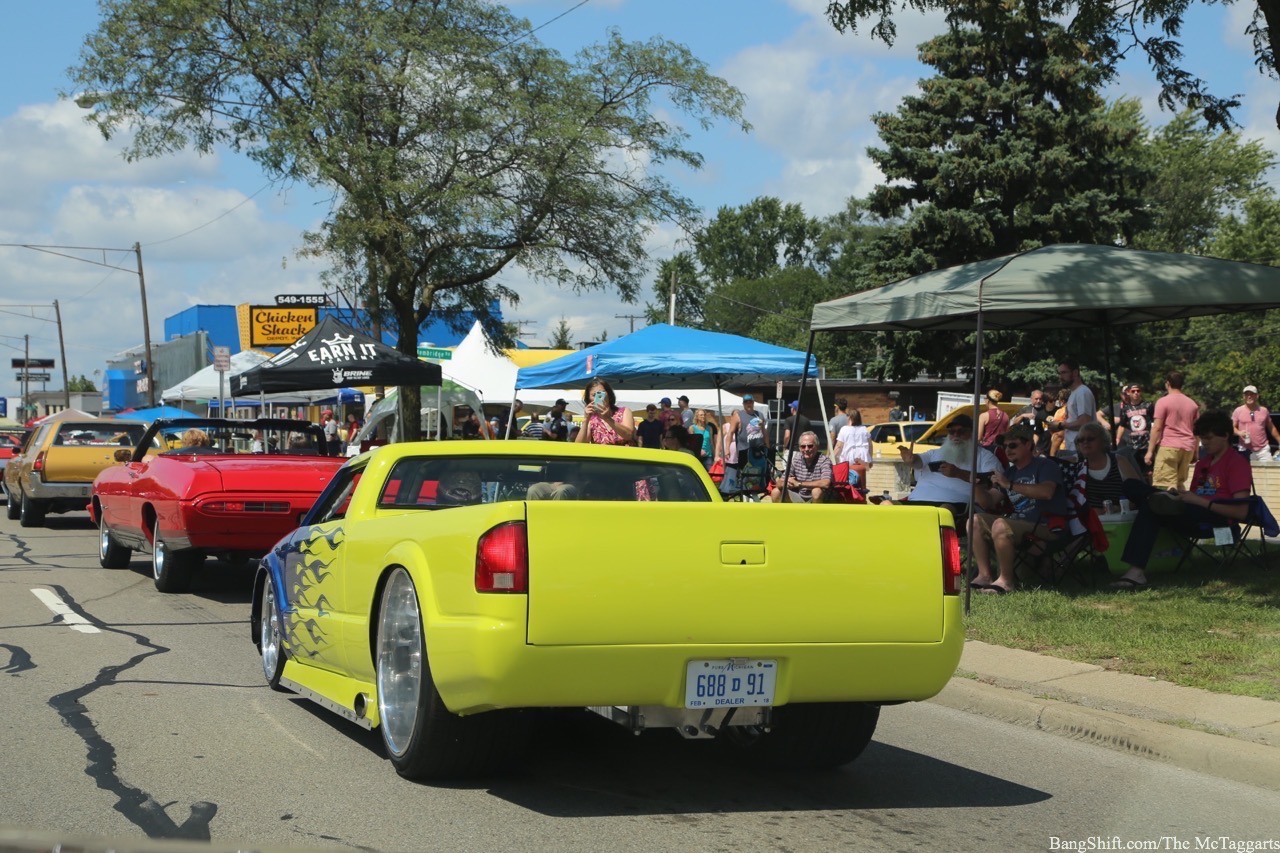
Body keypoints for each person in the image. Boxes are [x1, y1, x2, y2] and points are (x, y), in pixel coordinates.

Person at [1111, 411, 1252, 591]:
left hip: (1217, 518)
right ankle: (1157, 499)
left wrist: (1200, 502)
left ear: (1225, 435)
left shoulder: (1236, 463)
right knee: (1132, 486)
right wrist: (1180, 495)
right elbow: (1194, 495)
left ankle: (1136, 572)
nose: (1204, 443)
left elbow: (1241, 512)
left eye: (1209, 438)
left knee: (1151, 504)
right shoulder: (1203, 464)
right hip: (1192, 512)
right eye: (1202, 438)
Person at [970, 423, 1073, 594]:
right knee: (974, 521)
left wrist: (1010, 485)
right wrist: (975, 486)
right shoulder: (1010, 473)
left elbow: (1047, 492)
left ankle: (1006, 581)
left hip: (1047, 526)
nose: (1007, 449)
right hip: (1020, 524)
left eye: (1013, 445)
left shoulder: (1045, 465)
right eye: (1004, 446)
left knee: (1001, 525)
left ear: (1028, 444)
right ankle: (985, 575)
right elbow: (989, 502)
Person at [887, 413, 999, 514]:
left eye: (961, 431)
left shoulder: (985, 457)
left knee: (943, 512)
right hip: (916, 504)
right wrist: (910, 459)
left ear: (972, 433)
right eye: (952, 431)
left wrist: (959, 474)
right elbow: (918, 462)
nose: (956, 435)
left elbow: (991, 482)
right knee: (886, 505)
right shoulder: (934, 453)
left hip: (952, 506)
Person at [1146, 370, 1201, 489]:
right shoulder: (1192, 404)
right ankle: (1182, 507)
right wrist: (1196, 451)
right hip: (1187, 448)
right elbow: (1197, 430)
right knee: (1179, 484)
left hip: (1169, 447)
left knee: (1164, 485)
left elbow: (1157, 428)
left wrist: (1150, 451)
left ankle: (1167, 508)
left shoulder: (1163, 402)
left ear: (1168, 383)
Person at [1071, 421, 1142, 510]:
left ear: (1103, 440)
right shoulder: (1074, 463)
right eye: (1080, 440)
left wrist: (1116, 508)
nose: (1085, 442)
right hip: (1086, 521)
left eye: (1090, 439)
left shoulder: (1119, 461)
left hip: (1119, 519)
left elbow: (1139, 494)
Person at [1048, 360, 1095, 460]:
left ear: (1075, 373)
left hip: (1082, 450)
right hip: (1074, 449)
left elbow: (1084, 422)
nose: (1060, 377)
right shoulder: (1074, 393)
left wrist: (1060, 425)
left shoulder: (1082, 392)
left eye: (1064, 372)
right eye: (1059, 373)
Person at [768, 431, 832, 503]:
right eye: (803, 446)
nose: (806, 449)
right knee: (775, 492)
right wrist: (786, 483)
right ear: (799, 448)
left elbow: (826, 483)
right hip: (799, 496)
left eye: (810, 446)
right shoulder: (796, 460)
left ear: (817, 447)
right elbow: (779, 483)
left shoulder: (824, 460)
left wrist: (799, 484)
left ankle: (816, 514)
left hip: (819, 498)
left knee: (816, 492)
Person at [576, 379, 635, 446]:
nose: (599, 397)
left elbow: (628, 435)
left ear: (609, 395)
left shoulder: (624, 411)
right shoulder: (592, 420)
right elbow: (579, 445)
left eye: (601, 393)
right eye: (594, 395)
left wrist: (607, 419)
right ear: (589, 398)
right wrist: (586, 420)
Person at [1112, 383, 1155, 474]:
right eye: (1133, 391)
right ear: (1128, 392)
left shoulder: (1148, 405)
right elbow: (1122, 425)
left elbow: (1154, 422)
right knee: (1133, 470)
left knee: (1149, 472)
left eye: (1138, 391)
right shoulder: (1125, 409)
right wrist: (1117, 439)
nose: (1136, 393)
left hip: (1146, 444)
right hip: (1132, 445)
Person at [1232, 384, 1280, 462]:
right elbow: (1231, 428)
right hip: (1245, 449)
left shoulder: (1264, 411)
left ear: (1257, 396)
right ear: (1243, 397)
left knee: (1269, 472)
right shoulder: (1238, 411)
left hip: (1263, 450)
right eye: (1247, 394)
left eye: (1252, 394)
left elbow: (1271, 428)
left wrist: (1279, 440)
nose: (1249, 396)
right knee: (1245, 473)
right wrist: (1239, 433)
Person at [832, 408, 873, 487]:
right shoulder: (864, 429)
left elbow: (838, 446)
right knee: (862, 482)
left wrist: (831, 458)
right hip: (862, 459)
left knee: (848, 481)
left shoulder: (844, 429)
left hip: (848, 459)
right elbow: (870, 445)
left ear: (849, 417)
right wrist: (870, 459)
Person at [1013, 389, 1052, 456]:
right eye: (1036, 399)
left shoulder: (1046, 409)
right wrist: (1023, 416)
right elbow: (1015, 422)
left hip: (1043, 445)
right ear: (1031, 399)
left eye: (1040, 399)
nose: (1038, 401)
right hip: (1028, 443)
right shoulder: (1025, 409)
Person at [977, 389, 1010, 453]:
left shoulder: (984, 416)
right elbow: (1007, 434)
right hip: (1001, 450)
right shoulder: (1006, 415)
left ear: (988, 400)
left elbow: (979, 437)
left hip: (988, 450)